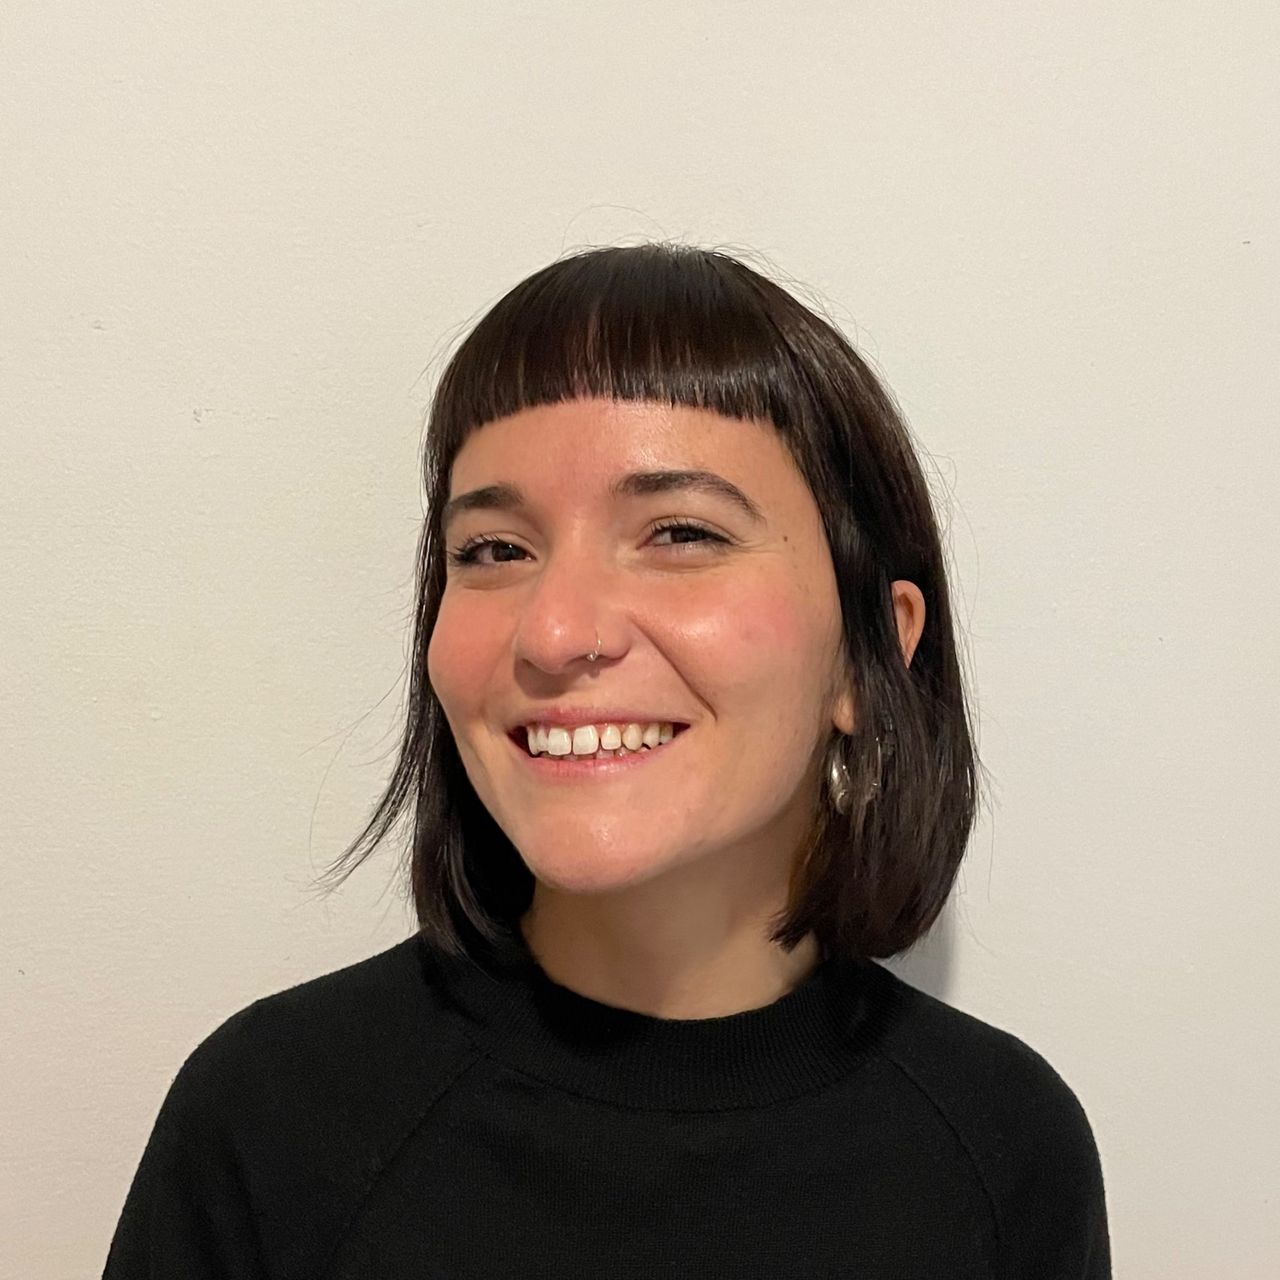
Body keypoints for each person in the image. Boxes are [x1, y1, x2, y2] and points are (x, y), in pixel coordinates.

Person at [103, 243, 1111, 1278]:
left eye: (679, 533)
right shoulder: (273, 1122)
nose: (554, 631)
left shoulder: (1003, 1151)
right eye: (494, 550)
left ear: (870, 652)